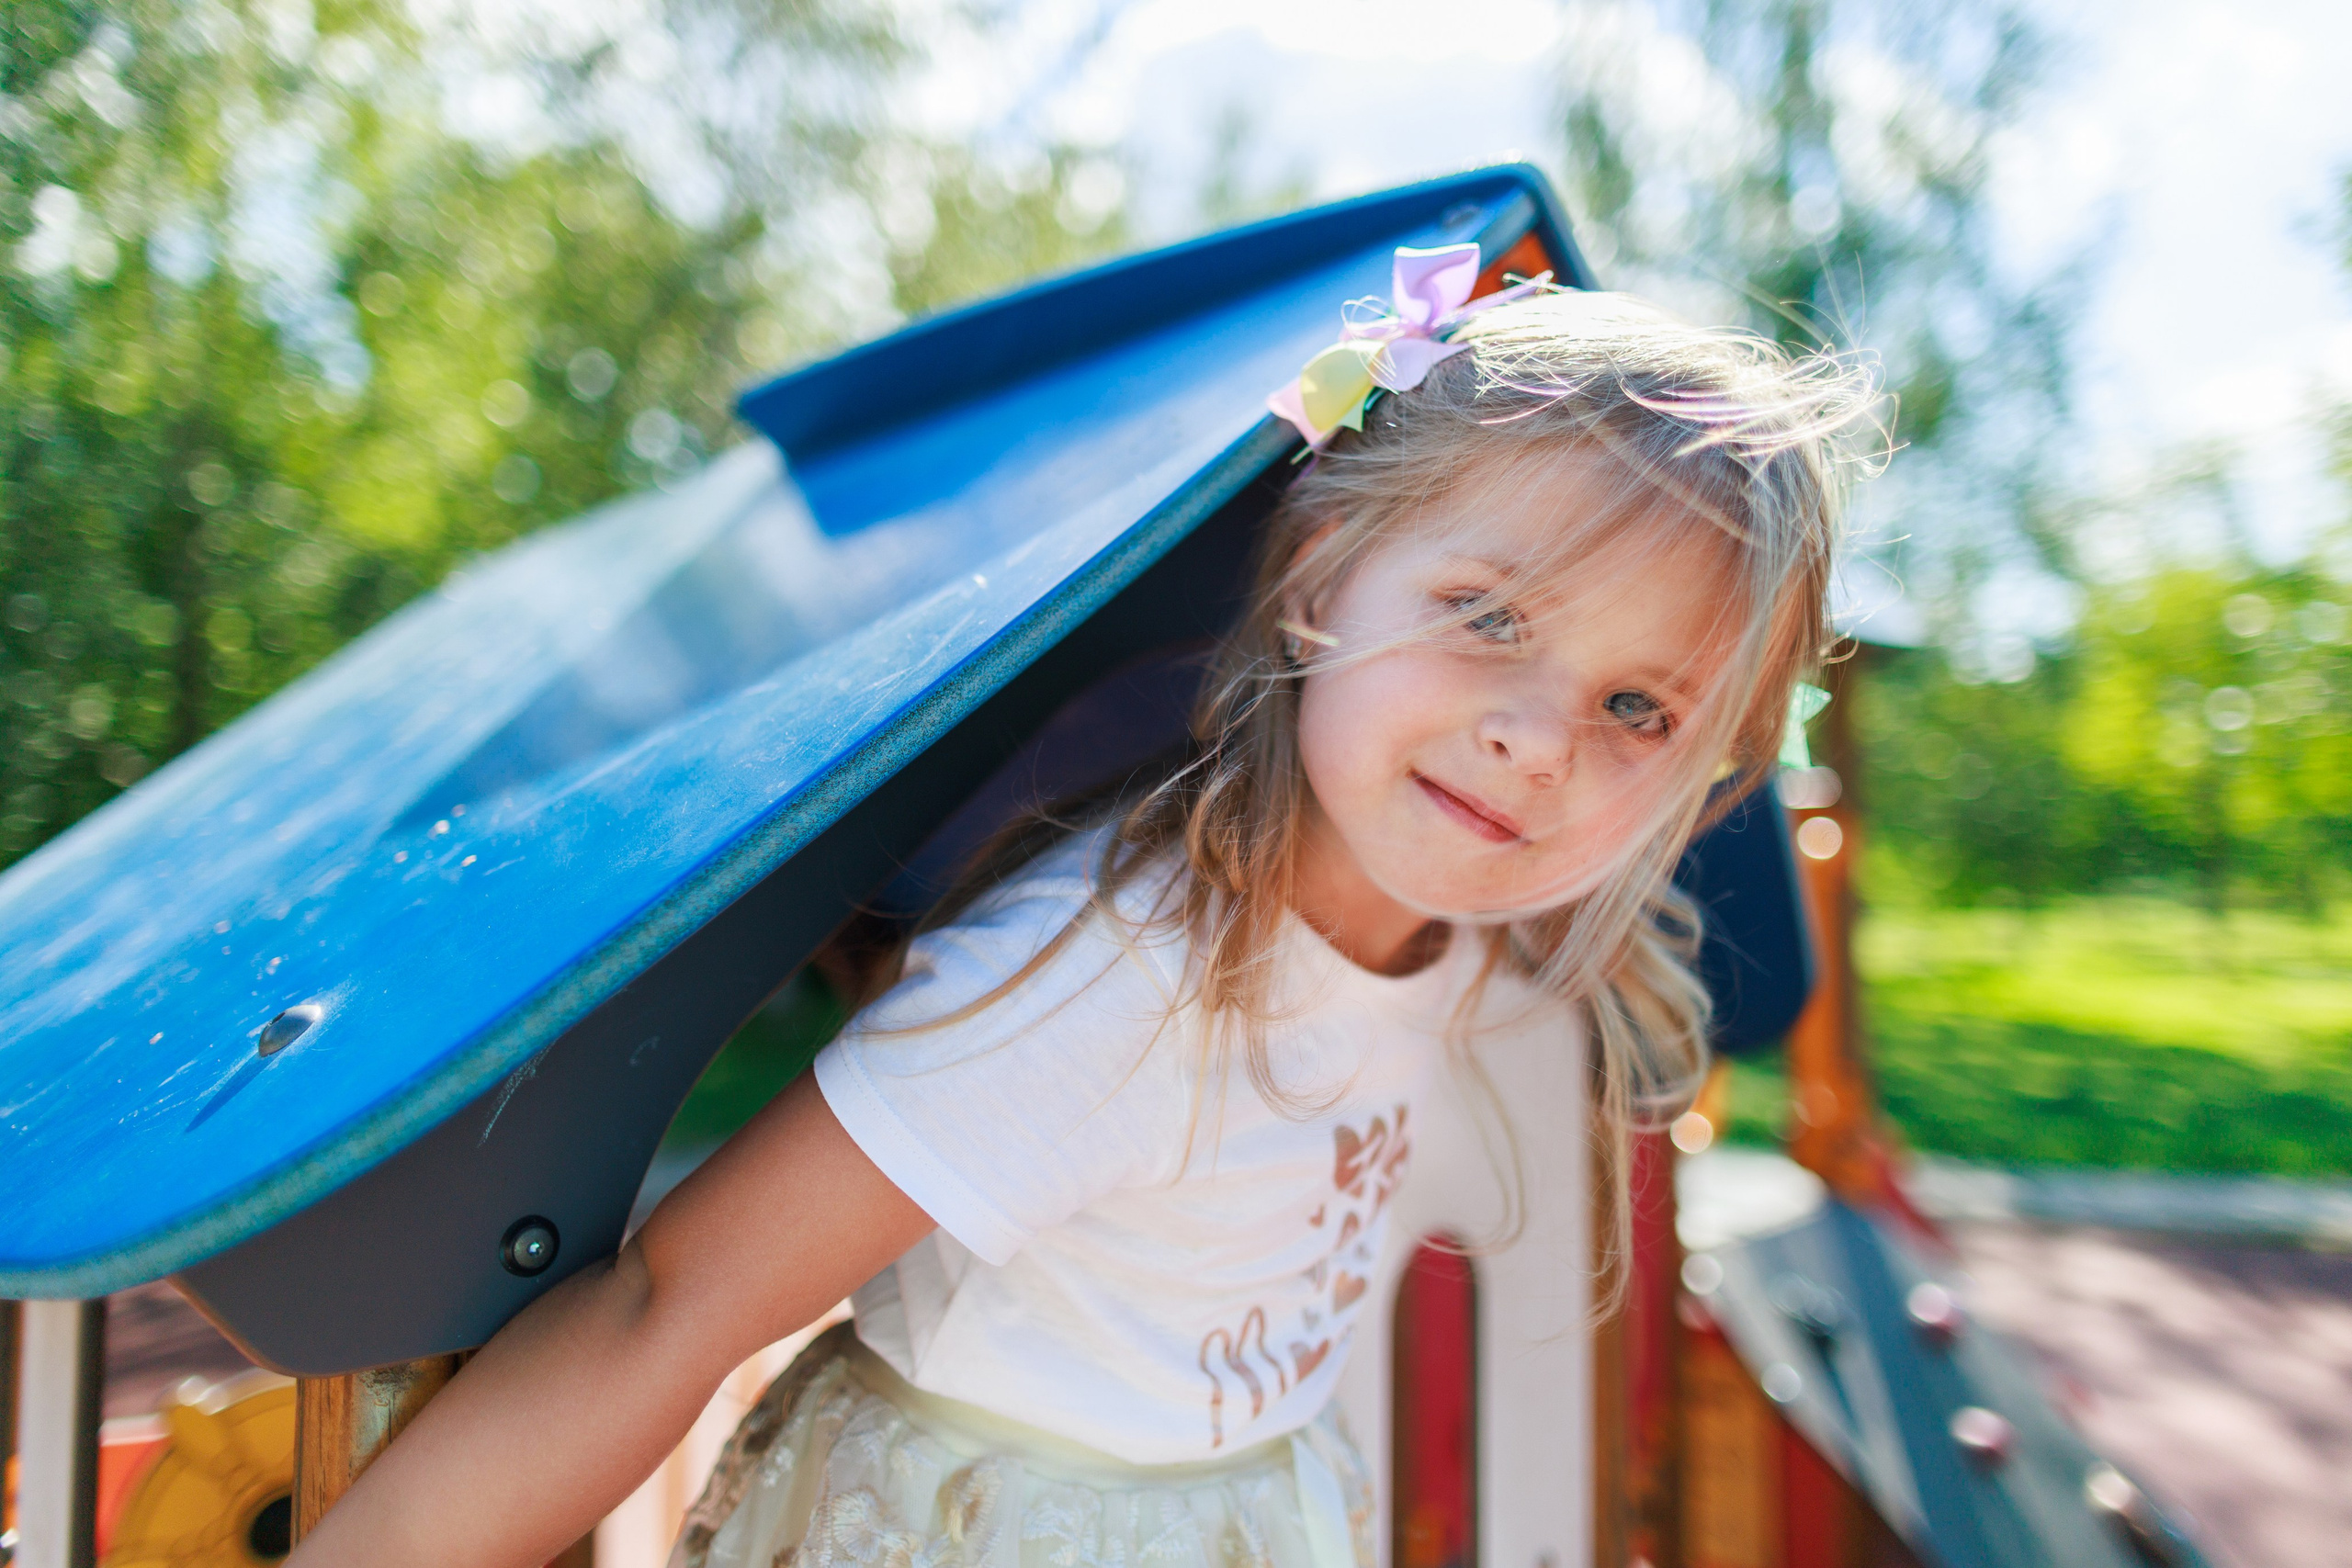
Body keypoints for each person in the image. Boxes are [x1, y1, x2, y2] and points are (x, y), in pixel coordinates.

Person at [284, 243, 1876, 1568]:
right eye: (1487, 614)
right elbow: (663, 1308)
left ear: (1705, 782)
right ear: (1323, 577)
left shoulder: (1468, 931)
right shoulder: (1116, 976)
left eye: (1640, 711)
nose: (1540, 737)